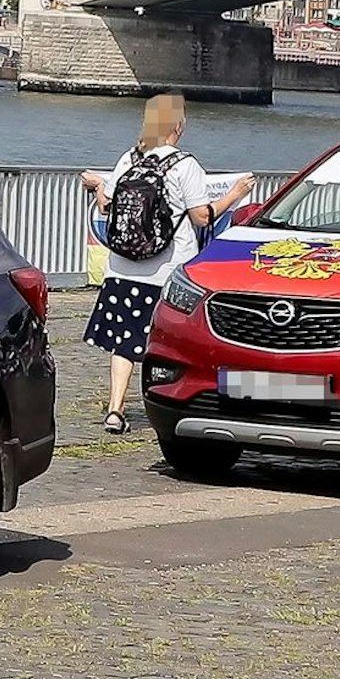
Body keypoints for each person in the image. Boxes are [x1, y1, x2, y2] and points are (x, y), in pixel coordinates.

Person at [85, 93, 252, 435]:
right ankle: (177, 405)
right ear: (178, 126)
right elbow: (202, 217)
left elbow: (105, 206)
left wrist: (98, 186)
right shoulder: (184, 164)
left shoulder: (130, 158)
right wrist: (235, 195)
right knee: (174, 343)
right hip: (167, 272)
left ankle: (115, 410)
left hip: (122, 267)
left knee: (124, 344)